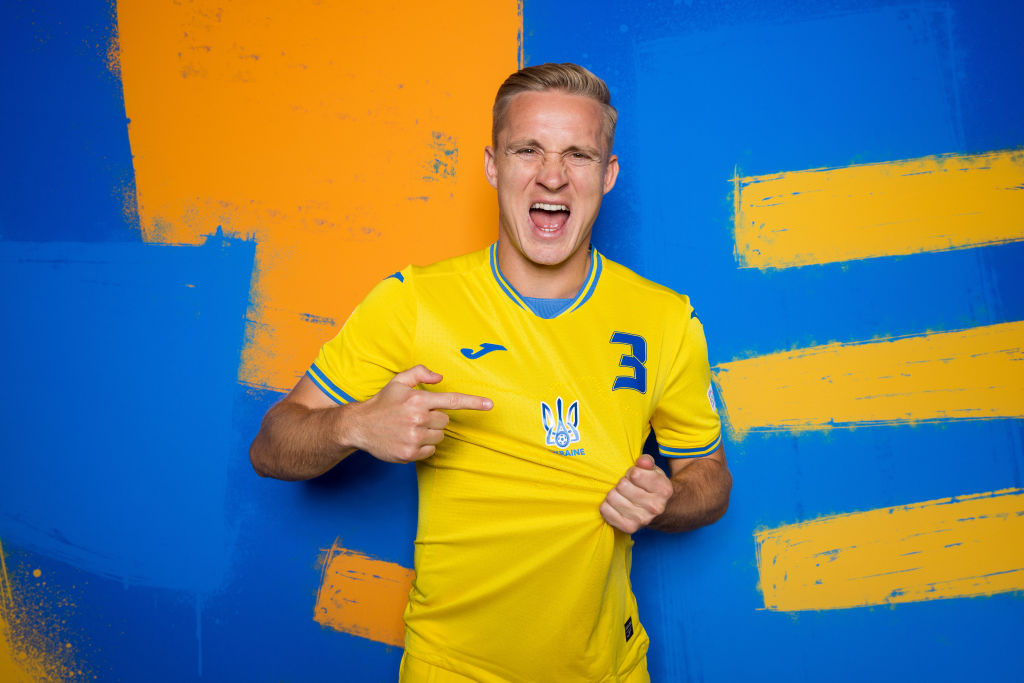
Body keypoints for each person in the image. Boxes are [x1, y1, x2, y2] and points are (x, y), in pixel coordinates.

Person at [250, 62, 732, 683]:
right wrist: (354, 426)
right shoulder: (413, 303)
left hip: (609, 669)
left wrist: (666, 503)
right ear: (492, 166)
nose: (552, 175)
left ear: (608, 175)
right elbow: (270, 447)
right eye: (527, 149)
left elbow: (708, 476)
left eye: (578, 154)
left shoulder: (665, 320)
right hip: (451, 668)